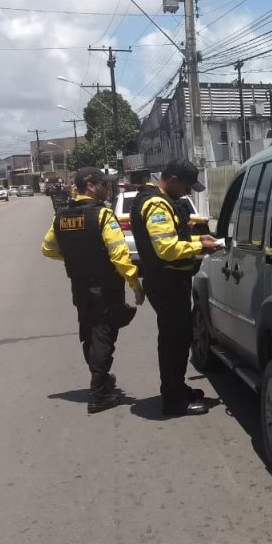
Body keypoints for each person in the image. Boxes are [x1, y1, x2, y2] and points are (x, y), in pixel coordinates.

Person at [41, 168, 144, 414]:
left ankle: (103, 381)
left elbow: (48, 249)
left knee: (90, 333)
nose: (107, 188)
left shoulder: (62, 217)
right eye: (102, 184)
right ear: (89, 186)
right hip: (105, 287)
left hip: (80, 287)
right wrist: (135, 283)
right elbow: (118, 254)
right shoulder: (103, 215)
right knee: (103, 336)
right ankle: (99, 394)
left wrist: (74, 257)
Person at [130, 159, 219, 417]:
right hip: (167, 282)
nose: (188, 192)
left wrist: (196, 238)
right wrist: (200, 247)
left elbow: (170, 239)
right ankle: (174, 400)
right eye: (187, 187)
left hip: (166, 281)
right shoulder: (156, 203)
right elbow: (167, 249)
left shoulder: (153, 198)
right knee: (174, 342)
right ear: (174, 180)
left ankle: (177, 389)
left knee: (177, 339)